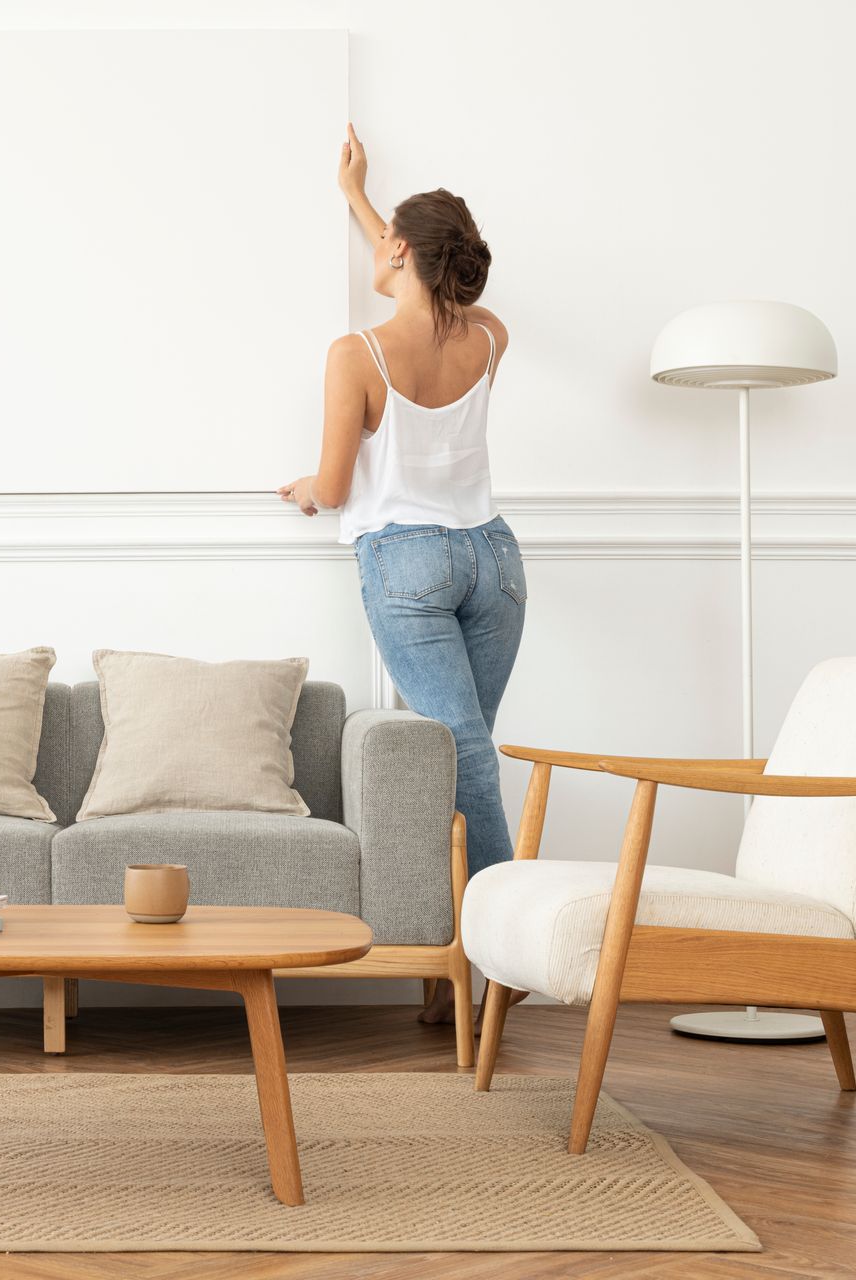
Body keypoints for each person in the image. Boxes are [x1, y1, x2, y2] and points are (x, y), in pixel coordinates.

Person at [278, 124, 526, 1028]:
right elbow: (431, 280)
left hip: (409, 562)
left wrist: (305, 492)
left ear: (400, 254)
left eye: (384, 244)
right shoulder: (491, 339)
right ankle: (448, 974)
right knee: (462, 758)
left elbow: (337, 484)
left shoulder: (358, 355)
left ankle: (509, 955)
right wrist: (359, 200)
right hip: (494, 563)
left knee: (458, 758)